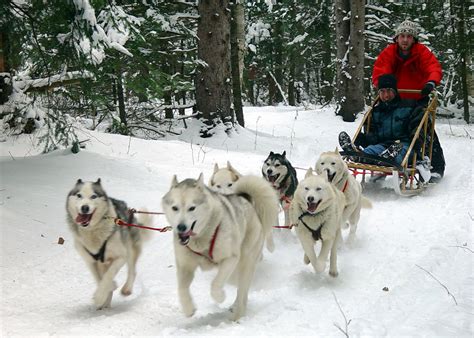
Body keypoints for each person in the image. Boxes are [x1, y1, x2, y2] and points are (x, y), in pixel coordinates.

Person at [372, 20, 445, 182]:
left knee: (423, 131)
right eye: (402, 36)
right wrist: (383, 86)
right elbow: (380, 69)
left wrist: (431, 82)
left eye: (409, 36)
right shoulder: (390, 52)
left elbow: (433, 66)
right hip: (395, 99)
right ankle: (377, 157)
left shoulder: (421, 51)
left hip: (417, 99)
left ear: (414, 39)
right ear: (397, 38)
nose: (405, 40)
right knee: (382, 126)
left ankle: (435, 166)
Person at [339, 74, 417, 166]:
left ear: (395, 91)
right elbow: (374, 137)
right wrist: (364, 139)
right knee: (370, 151)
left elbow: (416, 132)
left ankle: (388, 159)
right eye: (382, 92)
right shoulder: (376, 111)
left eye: (389, 91)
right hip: (383, 145)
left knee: (399, 152)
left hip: (405, 146)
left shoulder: (408, 108)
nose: (386, 95)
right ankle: (357, 155)